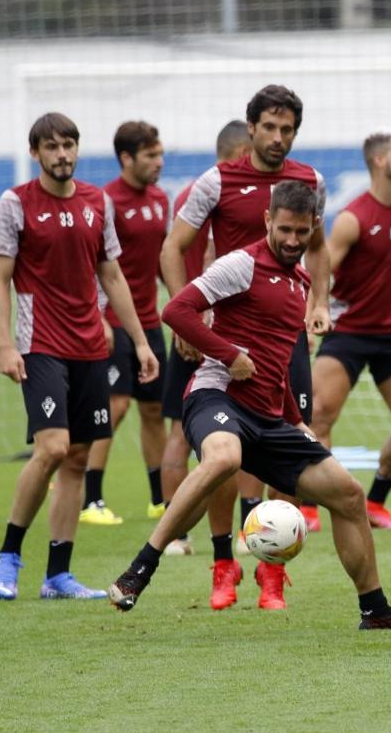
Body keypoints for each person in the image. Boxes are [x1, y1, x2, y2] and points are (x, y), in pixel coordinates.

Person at [109, 180, 391, 630]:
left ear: (315, 226)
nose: (292, 240)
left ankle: (374, 609)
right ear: (267, 222)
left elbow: (275, 367)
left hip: (268, 418)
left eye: (301, 231)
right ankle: (142, 566)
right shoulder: (240, 264)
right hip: (214, 397)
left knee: (349, 495)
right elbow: (177, 311)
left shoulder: (299, 284)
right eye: (284, 230)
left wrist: (298, 423)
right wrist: (229, 354)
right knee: (226, 457)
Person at [159, 85, 329, 609]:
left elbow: (318, 250)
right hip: (225, 337)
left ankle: (271, 574)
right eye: (270, 128)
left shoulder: (308, 181)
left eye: (288, 130)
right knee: (222, 455)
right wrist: (191, 322)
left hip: (283, 338)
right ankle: (221, 562)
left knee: (289, 451)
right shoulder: (218, 181)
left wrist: (318, 302)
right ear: (250, 127)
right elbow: (174, 248)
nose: (278, 139)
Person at [0, 112, 159, 600]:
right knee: (53, 447)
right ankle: (9, 555)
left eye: (69, 145)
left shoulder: (95, 200)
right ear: (36, 152)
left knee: (79, 458)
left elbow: (111, 275)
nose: (61, 154)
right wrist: (5, 344)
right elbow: (0, 278)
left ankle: (57, 575)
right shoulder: (15, 203)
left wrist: (141, 342)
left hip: (90, 344)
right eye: (52, 147)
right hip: (40, 343)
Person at [311, 131, 391, 531]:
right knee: (318, 415)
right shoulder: (352, 218)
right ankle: (308, 507)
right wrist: (317, 309)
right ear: (380, 161)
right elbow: (320, 270)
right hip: (347, 332)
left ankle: (376, 502)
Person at [157, 120, 251, 556]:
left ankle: (178, 534)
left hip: (201, 326)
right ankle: (224, 529)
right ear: (237, 154)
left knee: (187, 430)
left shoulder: (191, 195)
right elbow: (182, 254)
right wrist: (190, 319)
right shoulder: (216, 195)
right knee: (238, 432)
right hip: (211, 330)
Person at [79, 121, 170, 525]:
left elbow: (161, 263)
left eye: (160, 153)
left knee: (154, 411)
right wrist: (96, 316)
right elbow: (97, 266)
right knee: (113, 407)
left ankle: (159, 499)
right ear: (126, 158)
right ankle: (90, 500)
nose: (159, 162)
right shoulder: (106, 201)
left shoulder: (160, 200)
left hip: (148, 323)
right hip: (112, 320)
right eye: (151, 155)